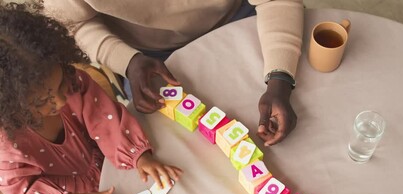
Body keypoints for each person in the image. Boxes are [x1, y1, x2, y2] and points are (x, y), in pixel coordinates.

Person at [0, 3, 182, 194]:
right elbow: (22, 192)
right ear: (11, 107)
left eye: (60, 85)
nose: (60, 101)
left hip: (109, 161)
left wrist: (139, 155)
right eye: (42, 101)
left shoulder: (73, 82)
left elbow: (104, 119)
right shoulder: (7, 145)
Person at [43, 0, 304, 147]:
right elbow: (74, 23)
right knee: (167, 144)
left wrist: (280, 76)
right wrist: (127, 60)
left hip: (239, 15)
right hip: (144, 54)